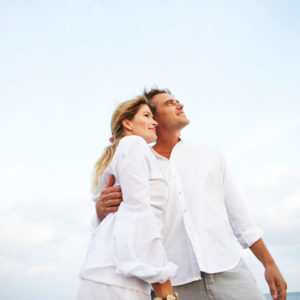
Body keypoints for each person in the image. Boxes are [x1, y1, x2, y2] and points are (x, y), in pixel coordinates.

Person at [96, 88, 288, 300]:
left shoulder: (211, 155)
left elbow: (241, 219)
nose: (180, 105)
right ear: (154, 118)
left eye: (177, 101)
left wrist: (269, 264)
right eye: (169, 103)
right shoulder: (135, 163)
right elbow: (128, 223)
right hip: (175, 285)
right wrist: (101, 210)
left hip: (230, 271)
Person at [78, 96, 178, 300]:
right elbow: (139, 211)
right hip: (119, 279)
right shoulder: (134, 145)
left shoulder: (125, 154)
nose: (155, 122)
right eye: (147, 115)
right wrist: (163, 284)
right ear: (127, 123)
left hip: (106, 272)